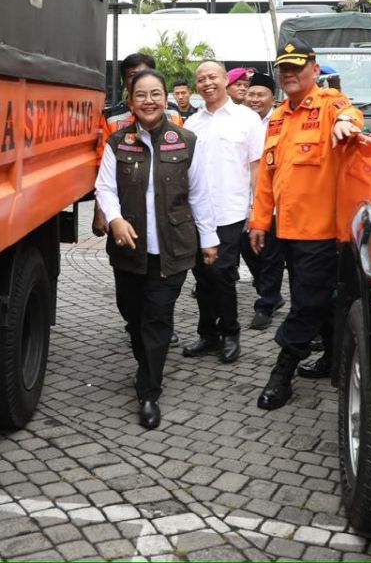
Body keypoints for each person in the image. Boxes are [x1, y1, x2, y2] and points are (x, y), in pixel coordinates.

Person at [95, 69, 219, 430]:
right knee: (132, 314)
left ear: (166, 99)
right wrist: (115, 219)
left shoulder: (186, 141)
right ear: (131, 101)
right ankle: (145, 364)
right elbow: (105, 188)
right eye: (141, 95)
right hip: (129, 248)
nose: (148, 101)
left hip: (173, 249)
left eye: (155, 94)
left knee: (157, 318)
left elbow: (200, 194)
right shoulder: (118, 142)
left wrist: (209, 239)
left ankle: (149, 391)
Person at [248, 38, 364, 410]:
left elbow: (351, 114)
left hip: (321, 234)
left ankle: (282, 374)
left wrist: (346, 123)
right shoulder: (278, 117)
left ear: (314, 69)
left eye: (297, 67)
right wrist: (259, 222)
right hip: (286, 231)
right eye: (284, 68)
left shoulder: (329, 104)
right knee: (317, 299)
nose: (289, 74)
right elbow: (267, 178)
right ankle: (332, 357)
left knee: (306, 304)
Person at [182, 60, 264, 364]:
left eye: (212, 76)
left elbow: (256, 167)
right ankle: (208, 334)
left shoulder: (247, 119)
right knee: (201, 276)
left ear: (224, 80)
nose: (207, 83)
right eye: (201, 79)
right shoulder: (191, 124)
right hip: (197, 213)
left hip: (231, 211)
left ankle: (230, 332)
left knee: (221, 273)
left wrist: (255, 208)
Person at [93, 53, 184, 237]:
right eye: (132, 76)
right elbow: (103, 170)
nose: (139, 80)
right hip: (125, 208)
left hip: (168, 208)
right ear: (124, 81)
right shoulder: (112, 117)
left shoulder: (173, 114)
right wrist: (100, 209)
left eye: (145, 74)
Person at [240, 71, 286, 329]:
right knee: (246, 246)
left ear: (272, 98)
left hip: (273, 198)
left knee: (271, 253)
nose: (255, 99)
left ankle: (266, 303)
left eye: (261, 94)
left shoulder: (280, 121)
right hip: (243, 196)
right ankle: (270, 292)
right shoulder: (239, 119)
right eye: (251, 94)